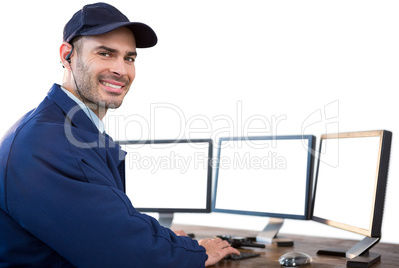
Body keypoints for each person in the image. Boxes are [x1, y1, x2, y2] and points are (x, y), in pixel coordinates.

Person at [0, 2, 239, 267]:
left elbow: (110, 222)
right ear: (67, 55)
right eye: (105, 53)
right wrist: (195, 252)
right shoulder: (50, 143)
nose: (122, 70)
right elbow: (125, 254)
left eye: (129, 58)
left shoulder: (69, 129)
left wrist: (166, 240)